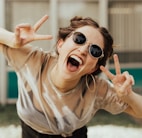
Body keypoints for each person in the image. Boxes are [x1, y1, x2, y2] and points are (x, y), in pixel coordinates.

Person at [0, 15, 142, 138]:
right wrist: (12, 40)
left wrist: (128, 95)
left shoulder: (95, 88)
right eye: (79, 39)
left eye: (94, 50)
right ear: (60, 44)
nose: (83, 50)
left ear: (93, 67)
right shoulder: (32, 60)